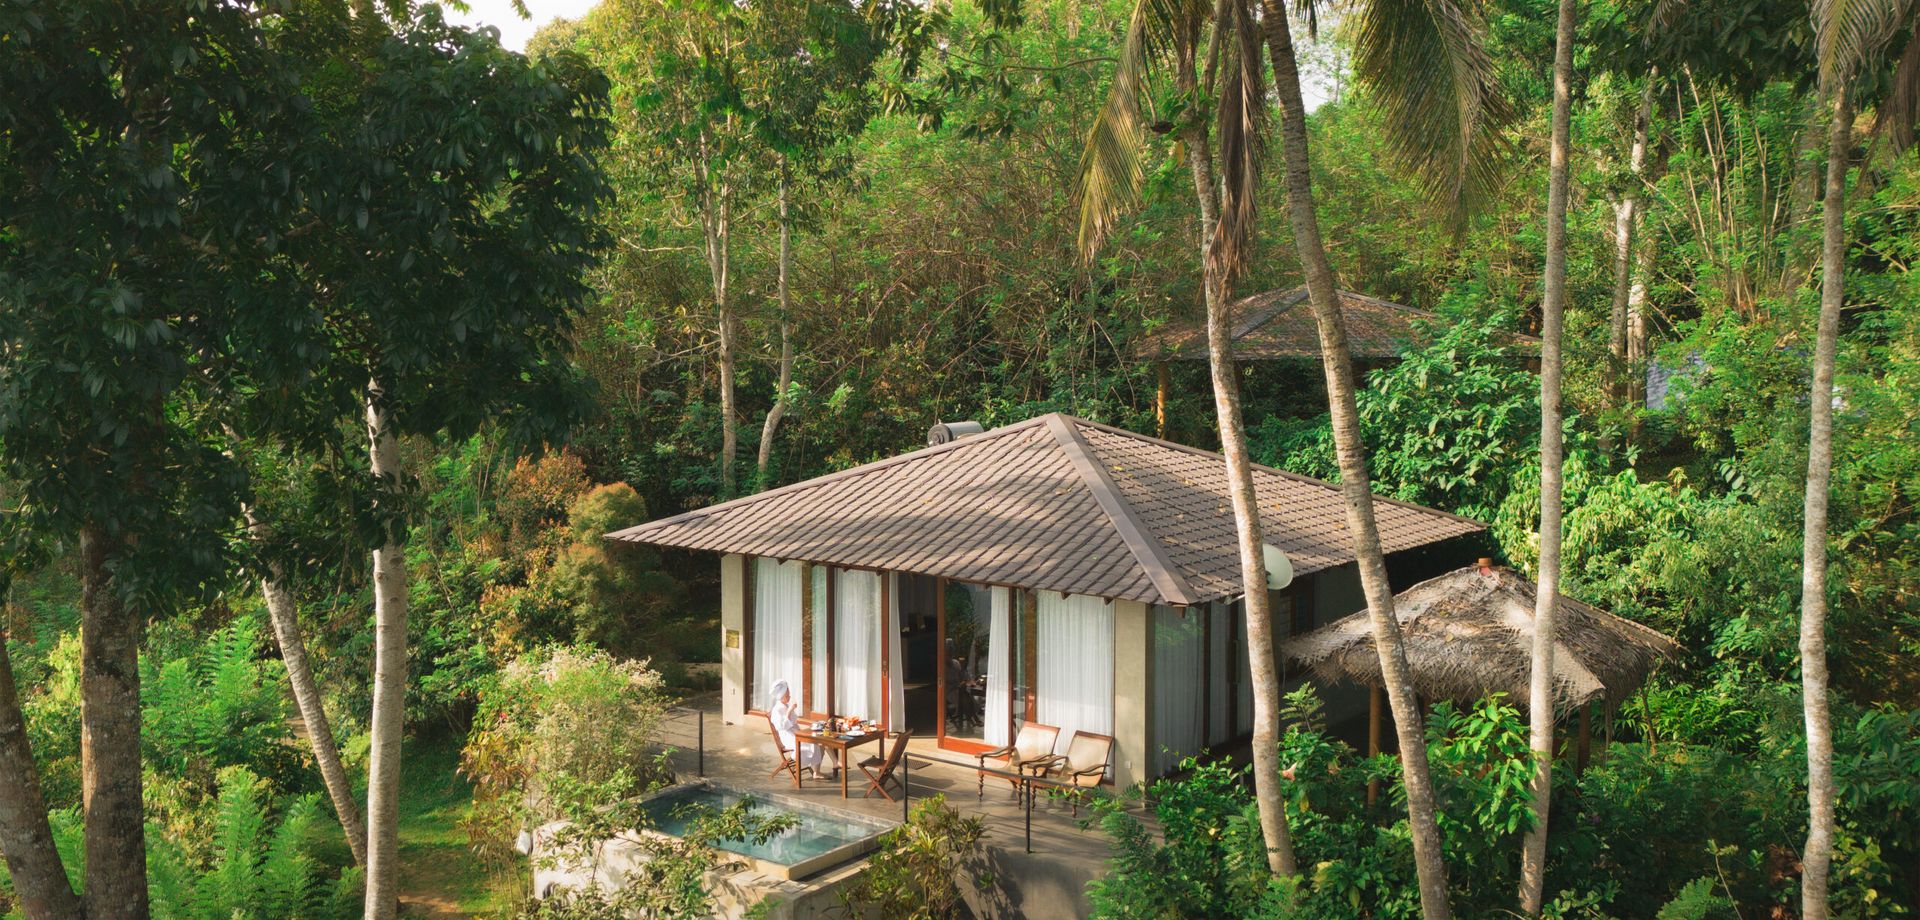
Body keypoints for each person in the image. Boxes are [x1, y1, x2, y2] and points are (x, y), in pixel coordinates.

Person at [769, 680, 839, 777]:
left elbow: (793, 721)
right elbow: (781, 727)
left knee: (821, 739)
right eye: (788, 694)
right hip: (789, 738)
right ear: (782, 695)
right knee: (818, 741)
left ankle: (825, 768)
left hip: (796, 733)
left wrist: (790, 710)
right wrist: (789, 711)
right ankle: (827, 767)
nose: (790, 695)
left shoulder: (786, 705)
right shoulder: (777, 710)